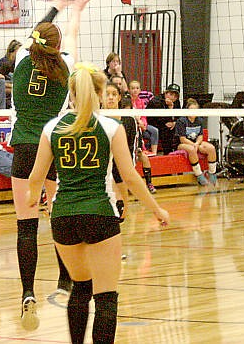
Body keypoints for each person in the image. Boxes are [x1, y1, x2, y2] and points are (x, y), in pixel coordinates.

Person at [26, 63, 169, 344]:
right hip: (100, 214)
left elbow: (35, 176)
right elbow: (130, 177)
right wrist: (157, 209)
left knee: (80, 288)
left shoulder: (52, 128)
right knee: (105, 297)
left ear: (72, 93)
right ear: (100, 93)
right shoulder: (110, 127)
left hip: (63, 217)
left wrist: (33, 199)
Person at [10, 0, 92, 330]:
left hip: (25, 150)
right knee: (60, 213)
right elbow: (69, 35)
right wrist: (75, 11)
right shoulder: (67, 65)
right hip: (54, 149)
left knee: (25, 224)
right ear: (57, 47)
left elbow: (39, 32)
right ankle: (65, 276)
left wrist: (56, 6)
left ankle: (28, 293)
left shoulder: (18, 59)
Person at [104, 85, 157, 194]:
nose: (110, 97)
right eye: (107, 94)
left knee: (121, 202)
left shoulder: (129, 120)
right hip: (103, 168)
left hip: (121, 165)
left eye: (114, 94)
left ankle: (148, 184)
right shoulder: (97, 119)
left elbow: (131, 147)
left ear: (119, 97)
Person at [175, 98, 219, 186]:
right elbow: (182, 139)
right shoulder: (182, 121)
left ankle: (212, 173)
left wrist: (197, 144)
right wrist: (195, 145)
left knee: (211, 148)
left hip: (195, 142)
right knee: (191, 149)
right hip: (183, 144)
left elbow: (200, 136)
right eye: (191, 110)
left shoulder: (199, 120)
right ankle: (199, 175)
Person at [145, 83, 182, 154]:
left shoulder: (176, 102)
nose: (172, 97)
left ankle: (177, 150)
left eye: (175, 96)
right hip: (153, 123)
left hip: (167, 123)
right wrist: (170, 108)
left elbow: (178, 115)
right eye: (171, 94)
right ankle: (167, 153)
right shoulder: (156, 101)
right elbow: (157, 119)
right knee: (166, 130)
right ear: (165, 93)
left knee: (178, 126)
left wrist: (174, 122)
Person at [129, 80, 159, 153]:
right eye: (133, 88)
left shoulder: (141, 102)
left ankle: (154, 152)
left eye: (137, 88)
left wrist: (144, 125)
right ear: (129, 90)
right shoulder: (128, 101)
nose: (135, 90)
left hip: (142, 124)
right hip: (133, 124)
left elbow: (143, 116)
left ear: (140, 90)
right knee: (147, 135)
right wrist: (139, 122)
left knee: (155, 131)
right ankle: (142, 150)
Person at [0, 39, 22, 107]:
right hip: (6, 87)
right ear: (12, 52)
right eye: (18, 52)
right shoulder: (3, 62)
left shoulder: (20, 63)